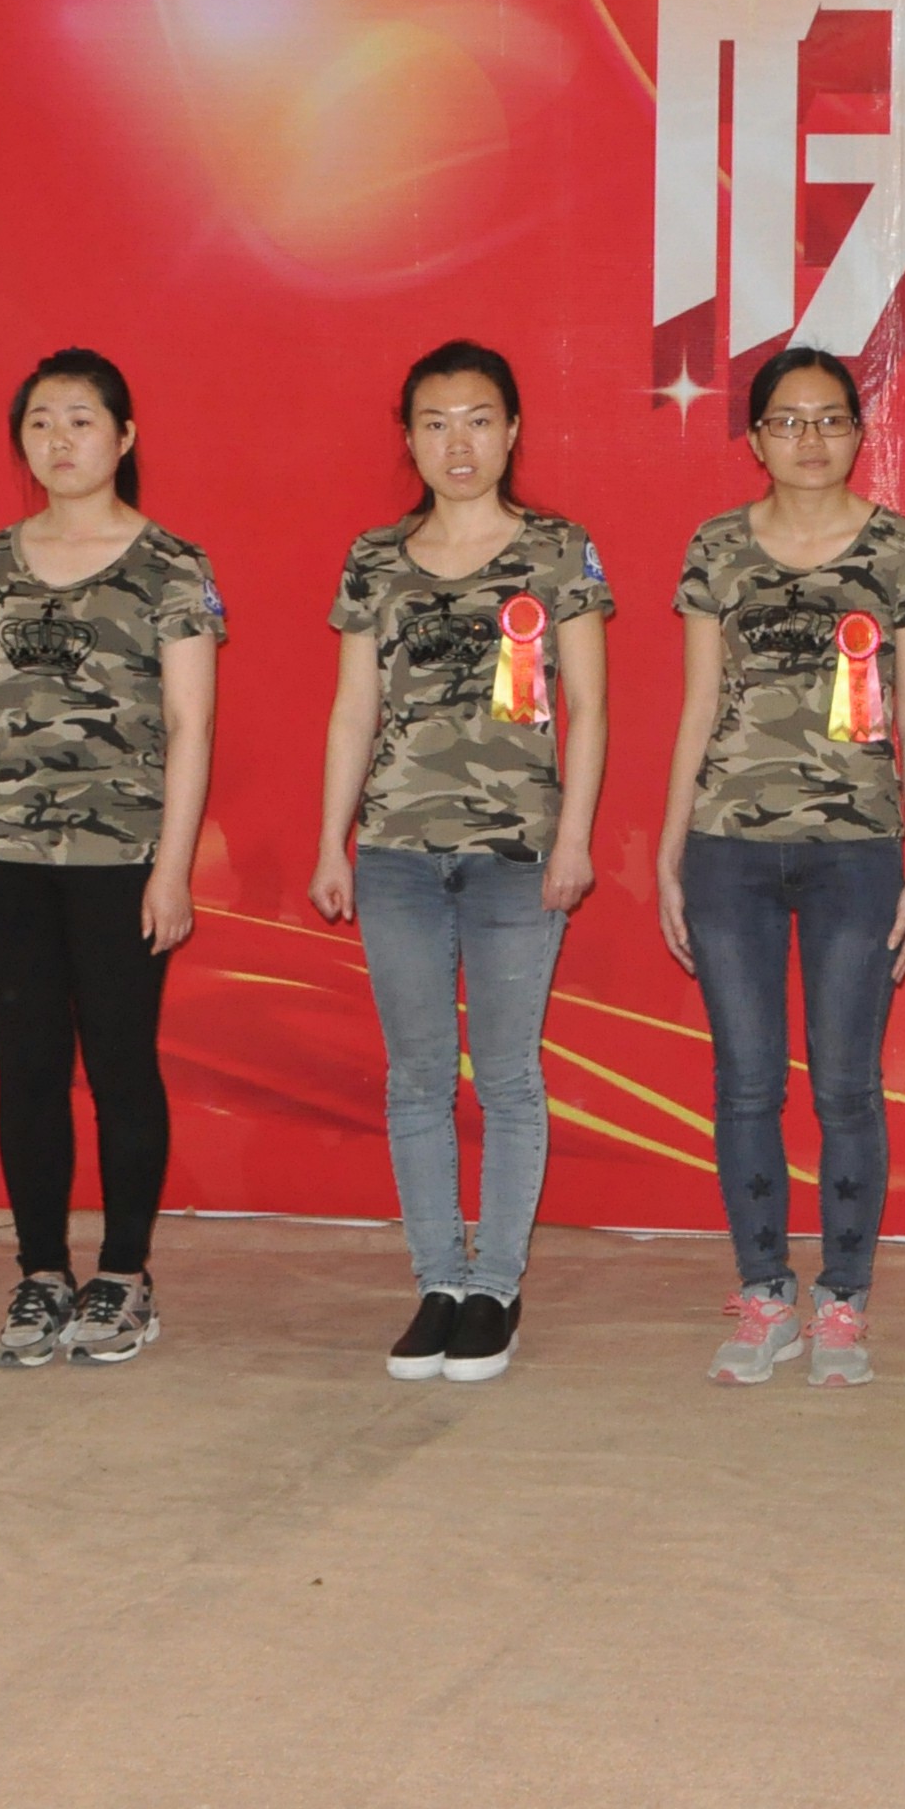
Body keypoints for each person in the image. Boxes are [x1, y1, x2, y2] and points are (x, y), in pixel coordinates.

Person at [311, 340, 610, 1386]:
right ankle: (438, 1280)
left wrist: (573, 836)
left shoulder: (559, 550)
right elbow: (353, 710)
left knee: (510, 1074)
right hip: (396, 852)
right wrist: (332, 839)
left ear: (512, 430)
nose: (459, 442)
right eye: (435, 423)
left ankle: (495, 1287)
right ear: (409, 438)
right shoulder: (374, 558)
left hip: (517, 855)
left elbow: (589, 706)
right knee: (418, 1077)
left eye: (479, 419)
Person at [652, 344, 905, 1390]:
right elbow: (698, 705)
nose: (810, 439)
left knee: (845, 1084)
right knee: (745, 1083)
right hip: (728, 846)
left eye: (830, 420)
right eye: (787, 420)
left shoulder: (902, 550)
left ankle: (844, 1301)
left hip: (856, 852)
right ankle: (765, 1293)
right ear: (756, 438)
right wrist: (670, 849)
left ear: (859, 434)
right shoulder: (717, 547)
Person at [0, 349, 222, 1370]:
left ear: (124, 437)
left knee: (123, 1066)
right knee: (29, 1073)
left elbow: (190, 724)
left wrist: (171, 868)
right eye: (41, 421)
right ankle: (42, 1272)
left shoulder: (171, 564)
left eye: (82, 420)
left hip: (120, 857)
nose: (60, 439)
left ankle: (125, 1276)